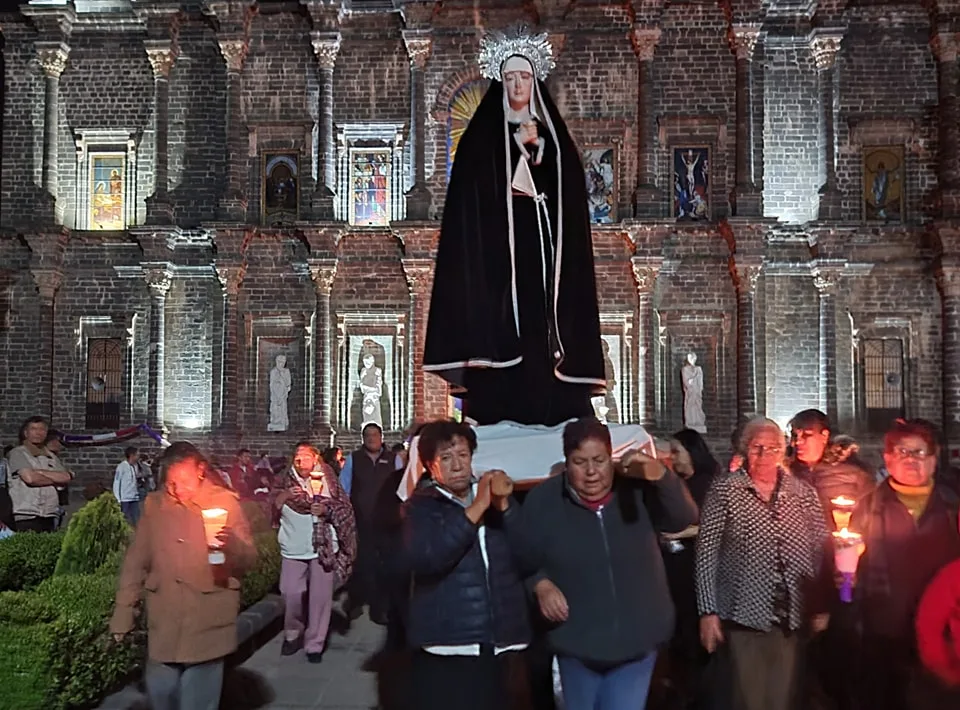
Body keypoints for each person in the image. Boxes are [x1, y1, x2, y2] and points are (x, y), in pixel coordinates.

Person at [422, 26, 605, 427]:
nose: (518, 84)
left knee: (542, 322)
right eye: (510, 77)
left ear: (534, 81)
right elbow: (468, 197)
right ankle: (497, 401)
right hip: (498, 257)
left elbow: (570, 190)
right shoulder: (482, 136)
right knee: (506, 327)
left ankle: (556, 399)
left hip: (542, 245)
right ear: (501, 82)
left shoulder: (553, 137)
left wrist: (538, 154)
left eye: (524, 77)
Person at [516, 417, 698, 710]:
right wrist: (539, 583)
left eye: (599, 460)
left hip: (637, 641)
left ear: (611, 457)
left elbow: (683, 516)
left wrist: (660, 475)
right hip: (577, 643)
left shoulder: (637, 490)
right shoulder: (544, 501)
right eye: (580, 462)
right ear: (567, 461)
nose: (591, 472)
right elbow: (520, 555)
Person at [109, 442, 257, 710]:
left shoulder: (224, 502)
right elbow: (136, 560)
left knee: (198, 701)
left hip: (208, 616)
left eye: (184, 481)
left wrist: (231, 544)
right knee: (161, 694)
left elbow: (249, 558)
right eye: (171, 482)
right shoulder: (155, 505)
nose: (177, 490)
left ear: (201, 471)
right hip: (165, 616)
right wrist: (123, 610)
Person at [695, 417, 830, 710]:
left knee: (784, 698)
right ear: (745, 449)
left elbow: (822, 548)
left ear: (782, 451)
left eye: (772, 448)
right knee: (748, 697)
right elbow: (706, 554)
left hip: (792, 617)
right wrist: (708, 612)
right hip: (744, 614)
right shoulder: (726, 491)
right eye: (757, 448)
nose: (764, 455)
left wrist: (821, 603)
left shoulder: (802, 493)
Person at [399, 419, 530, 710]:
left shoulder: (495, 499)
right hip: (450, 645)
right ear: (430, 465)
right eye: (446, 458)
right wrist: (475, 510)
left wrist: (506, 508)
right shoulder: (419, 508)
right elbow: (428, 558)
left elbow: (528, 553)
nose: (457, 465)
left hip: (504, 643)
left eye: (463, 455)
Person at [850, 419, 960, 709]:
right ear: (887, 458)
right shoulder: (869, 506)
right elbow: (849, 567)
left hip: (943, 638)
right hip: (885, 632)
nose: (911, 460)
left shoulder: (952, 505)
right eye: (902, 452)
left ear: (934, 459)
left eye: (920, 452)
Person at [275, 443, 356, 662]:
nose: (302, 463)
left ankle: (315, 643)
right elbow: (270, 506)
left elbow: (343, 506)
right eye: (297, 458)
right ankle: (293, 631)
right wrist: (283, 496)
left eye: (306, 457)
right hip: (293, 545)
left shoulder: (327, 478)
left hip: (323, 545)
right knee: (290, 592)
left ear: (316, 458)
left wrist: (326, 509)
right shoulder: (284, 479)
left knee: (320, 597)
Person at [341, 422, 403, 622]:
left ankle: (380, 608)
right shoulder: (354, 459)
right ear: (363, 438)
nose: (371, 438)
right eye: (367, 435)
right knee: (361, 563)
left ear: (381, 437)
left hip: (388, 522)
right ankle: (356, 602)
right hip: (361, 521)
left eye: (374, 435)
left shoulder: (394, 460)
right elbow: (344, 489)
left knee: (385, 564)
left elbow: (402, 489)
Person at [6, 416, 74, 532]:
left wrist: (39, 473)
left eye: (42, 429)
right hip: (26, 513)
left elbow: (66, 477)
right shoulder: (18, 453)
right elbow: (30, 479)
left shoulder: (51, 456)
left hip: (49, 513)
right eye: (34, 429)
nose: (38, 433)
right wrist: (54, 479)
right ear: (26, 433)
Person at [113, 446, 142, 526]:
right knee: (122, 518)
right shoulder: (122, 466)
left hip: (134, 496)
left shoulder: (135, 466)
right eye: (137, 455)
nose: (138, 457)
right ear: (132, 455)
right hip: (124, 498)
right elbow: (117, 482)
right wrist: (118, 498)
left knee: (137, 517)